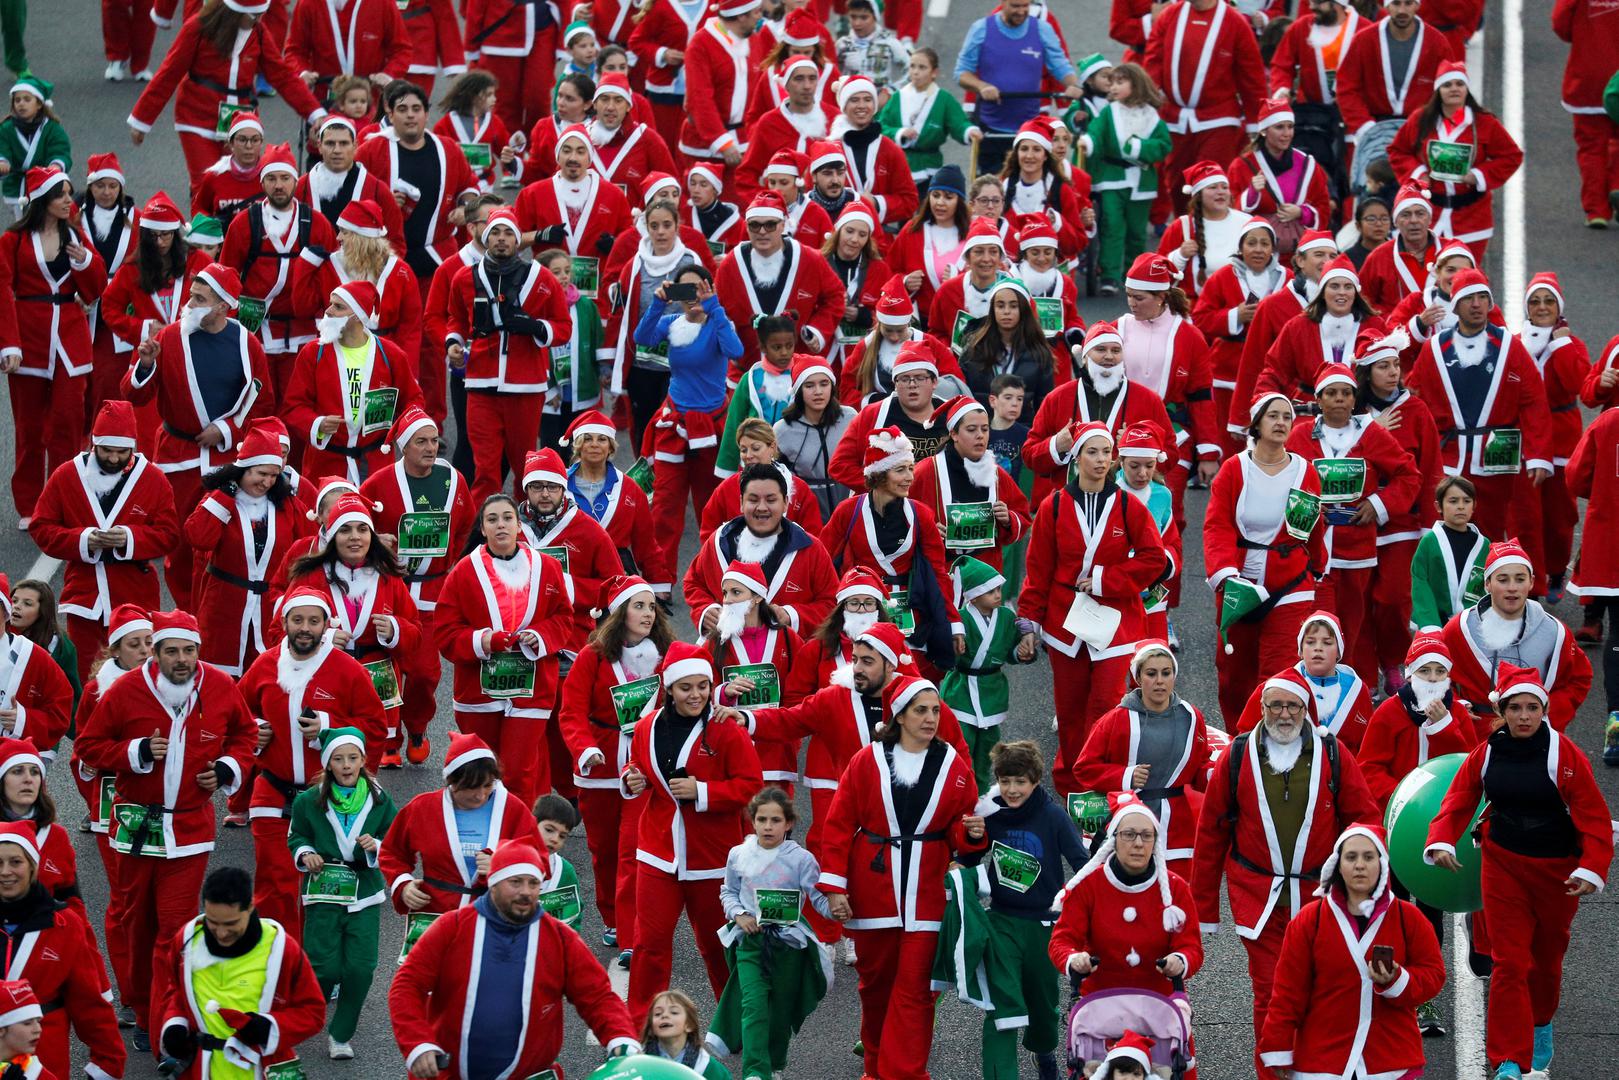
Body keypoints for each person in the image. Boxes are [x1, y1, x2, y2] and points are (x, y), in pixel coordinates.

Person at [75, 610, 257, 1050]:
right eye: (172, 650)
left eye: (189, 650)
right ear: (154, 653)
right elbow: (88, 746)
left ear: (199, 651)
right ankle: (140, 1006)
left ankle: (166, 1013)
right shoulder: (126, 691)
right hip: (137, 827)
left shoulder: (218, 686)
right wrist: (135, 750)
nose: (182, 659)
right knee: (138, 923)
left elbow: (245, 734)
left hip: (190, 828)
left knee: (174, 926)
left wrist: (228, 769)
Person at [1426, 665, 1613, 1080]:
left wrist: (1590, 868)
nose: (1524, 716)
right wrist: (1440, 840)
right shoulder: (1488, 751)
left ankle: (1541, 1021)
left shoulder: (1564, 755)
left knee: (1546, 962)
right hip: (1503, 863)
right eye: (1516, 708)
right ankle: (1508, 1059)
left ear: (1543, 711)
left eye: (1532, 708)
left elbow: (1595, 819)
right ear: (1502, 711)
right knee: (1509, 962)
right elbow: (1458, 798)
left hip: (1556, 873)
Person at [1193, 668, 1380, 1079]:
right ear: (1261, 708)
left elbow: (1365, 819)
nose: (1283, 714)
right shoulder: (1237, 755)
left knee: (1320, 989)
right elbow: (1210, 834)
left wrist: (1361, 879)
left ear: (1306, 709)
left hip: (1321, 898)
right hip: (1257, 895)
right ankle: (1272, 1073)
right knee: (1271, 992)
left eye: (1292, 705)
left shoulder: (1333, 754)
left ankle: (1316, 1069)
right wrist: (1202, 911)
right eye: (1274, 705)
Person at [817, 674, 982, 1078]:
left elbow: (960, 829)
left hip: (926, 894)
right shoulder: (866, 760)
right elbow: (838, 825)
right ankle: (875, 1068)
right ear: (900, 715)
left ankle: (905, 1074)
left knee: (916, 991)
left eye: (935, 711)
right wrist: (834, 887)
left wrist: (971, 836)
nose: (930, 719)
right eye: (920, 710)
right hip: (874, 890)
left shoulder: (953, 766)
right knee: (875, 989)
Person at [391, 834, 639, 1079]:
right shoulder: (451, 928)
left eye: (533, 883)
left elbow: (596, 996)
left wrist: (620, 1036)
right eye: (516, 882)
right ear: (494, 883)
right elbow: (407, 986)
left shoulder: (560, 938)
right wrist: (418, 1044)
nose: (526, 892)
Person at [1019, 422, 1168, 791]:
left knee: (1105, 706)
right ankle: (1072, 788)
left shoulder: (1127, 505)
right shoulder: (1052, 507)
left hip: (1115, 620)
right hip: (1064, 622)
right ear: (1076, 457)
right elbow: (1037, 571)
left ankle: (1102, 785)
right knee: (1069, 711)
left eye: (1106, 453)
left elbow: (1155, 559)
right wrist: (1028, 624)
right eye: (1093, 452)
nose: (1102, 460)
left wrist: (1106, 580)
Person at [622, 642, 764, 1021]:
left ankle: (732, 1023)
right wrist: (631, 778)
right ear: (668, 688)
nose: (697, 694)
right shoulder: (646, 727)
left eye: (703, 686)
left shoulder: (726, 729)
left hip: (712, 859)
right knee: (649, 945)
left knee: (717, 946)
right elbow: (636, 763)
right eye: (686, 687)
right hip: (657, 852)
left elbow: (752, 785)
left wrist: (702, 792)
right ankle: (639, 1025)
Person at [237, 585, 387, 942]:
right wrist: (253, 731)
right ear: (285, 622)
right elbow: (236, 715)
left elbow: (376, 727)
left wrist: (331, 727)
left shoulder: (347, 670)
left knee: (321, 887)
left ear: (325, 626)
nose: (305, 628)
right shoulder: (264, 665)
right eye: (298, 620)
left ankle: (318, 964)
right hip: (272, 790)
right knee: (274, 884)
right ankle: (275, 960)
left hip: (327, 797)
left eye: (314, 621)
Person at [1259, 822, 1447, 1077]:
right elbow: (1287, 992)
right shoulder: (1309, 921)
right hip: (1323, 1060)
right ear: (1338, 864)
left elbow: (1434, 974)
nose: (1360, 865)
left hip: (1390, 1060)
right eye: (1351, 857)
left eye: (1369, 857)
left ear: (1382, 863)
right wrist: (1278, 1047)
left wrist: (1396, 980)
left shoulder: (1408, 918)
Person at [433, 493, 574, 807]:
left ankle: (516, 842)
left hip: (533, 687)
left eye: (507, 518)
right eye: (492, 519)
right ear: (482, 529)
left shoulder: (548, 568)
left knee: (518, 771)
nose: (501, 525)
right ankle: (488, 833)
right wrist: (482, 641)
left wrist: (541, 636)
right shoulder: (463, 572)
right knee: (485, 769)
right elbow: (444, 631)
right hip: (479, 693)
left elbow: (565, 617)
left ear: (519, 524)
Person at [1048, 794, 1201, 1075]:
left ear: (1156, 842)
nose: (1139, 843)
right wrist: (1074, 959)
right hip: (1100, 1009)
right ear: (1113, 839)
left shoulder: (1176, 888)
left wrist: (1181, 959)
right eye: (1129, 834)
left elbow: (1191, 946)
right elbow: (1061, 941)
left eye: (1146, 835)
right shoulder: (1088, 885)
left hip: (1160, 1009)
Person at [356, 80, 482, 422]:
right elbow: (356, 202)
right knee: (383, 342)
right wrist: (381, 203)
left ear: (427, 114)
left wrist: (466, 209)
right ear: (389, 113)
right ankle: (384, 420)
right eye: (402, 110)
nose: (411, 116)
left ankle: (430, 422)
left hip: (435, 261)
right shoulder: (373, 152)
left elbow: (470, 188)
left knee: (431, 346)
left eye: (417, 109)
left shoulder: (448, 150)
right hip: (385, 265)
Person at [1284, 361, 1420, 674]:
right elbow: (1283, 480)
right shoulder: (1301, 435)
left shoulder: (1371, 433)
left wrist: (1378, 504)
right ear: (1319, 399)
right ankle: (1312, 679)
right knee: (1318, 619)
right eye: (1332, 393)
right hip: (1312, 550)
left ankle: (1357, 683)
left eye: (1346, 393)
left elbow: (1407, 475)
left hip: (1357, 548)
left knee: (1354, 621)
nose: (1340, 399)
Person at [1204, 392, 1329, 729]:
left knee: (1278, 673)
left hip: (1291, 580)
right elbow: (1217, 524)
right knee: (1233, 676)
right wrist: (1226, 575)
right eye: (1273, 416)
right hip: (1238, 583)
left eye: (1287, 417)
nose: (1281, 423)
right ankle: (1239, 740)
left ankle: (1274, 743)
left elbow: (1313, 522)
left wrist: (1317, 566)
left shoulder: (1305, 471)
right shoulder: (1234, 469)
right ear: (1256, 424)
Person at [28, 400, 177, 682]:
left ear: (132, 448)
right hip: (84, 596)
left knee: (137, 676)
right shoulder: (66, 475)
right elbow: (41, 527)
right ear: (93, 445)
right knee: (85, 677)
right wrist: (84, 540)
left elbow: (169, 534)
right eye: (106, 450)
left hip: (135, 595)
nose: (112, 458)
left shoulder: (154, 479)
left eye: (121, 452)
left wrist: (129, 538)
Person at [1405, 268, 1553, 543]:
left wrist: (1538, 455)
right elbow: (1417, 401)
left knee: (1491, 532)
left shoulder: (1510, 345)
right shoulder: (1434, 348)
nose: (1476, 304)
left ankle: (1490, 585)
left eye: (1482, 297)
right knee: (1445, 534)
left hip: (1495, 460)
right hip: (1449, 457)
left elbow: (1533, 400)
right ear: (1456, 305)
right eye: (1468, 298)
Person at [126, 0, 328, 194]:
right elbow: (168, 74)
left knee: (238, 185)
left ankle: (230, 228)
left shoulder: (257, 32)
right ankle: (203, 226)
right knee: (205, 183)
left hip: (240, 121)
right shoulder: (197, 28)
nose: (259, 19)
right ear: (235, 12)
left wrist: (314, 112)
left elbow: (282, 76)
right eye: (254, 15)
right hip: (197, 116)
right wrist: (142, 120)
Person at [0, 167, 107, 529]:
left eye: (69, 193)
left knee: (68, 420)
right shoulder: (12, 241)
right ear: (42, 201)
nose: (68, 200)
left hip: (70, 340)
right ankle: (30, 503)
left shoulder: (76, 236)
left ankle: (62, 499)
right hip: (28, 340)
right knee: (29, 428)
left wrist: (86, 263)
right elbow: (3, 293)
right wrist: (8, 344)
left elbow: (95, 290)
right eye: (60, 194)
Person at [444, 207, 571, 505]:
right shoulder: (465, 277)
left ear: (517, 239)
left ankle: (526, 532)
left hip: (525, 386)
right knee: (484, 468)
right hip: (479, 384)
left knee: (523, 467)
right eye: (495, 233)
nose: (502, 239)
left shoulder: (542, 277)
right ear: (485, 238)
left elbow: (564, 327)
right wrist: (454, 343)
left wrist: (535, 326)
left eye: (509, 233)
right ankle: (481, 534)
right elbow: (456, 319)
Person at [704, 787, 833, 1077]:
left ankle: (774, 1065)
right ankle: (755, 1071)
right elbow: (729, 893)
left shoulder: (801, 859)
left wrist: (839, 910)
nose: (768, 826)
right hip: (751, 943)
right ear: (753, 821)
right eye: (762, 819)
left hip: (789, 945)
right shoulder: (738, 854)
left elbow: (818, 897)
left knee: (780, 1014)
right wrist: (739, 915)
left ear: (788, 824)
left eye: (775, 820)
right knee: (753, 1007)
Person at [285, 726, 395, 1060]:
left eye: (352, 758)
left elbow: (394, 842)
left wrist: (374, 846)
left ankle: (341, 1034)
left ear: (363, 760)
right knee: (324, 969)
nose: (346, 765)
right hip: (324, 892)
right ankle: (301, 1017)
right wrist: (305, 854)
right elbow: (296, 835)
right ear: (328, 764)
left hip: (364, 893)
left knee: (361, 969)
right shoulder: (308, 800)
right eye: (338, 759)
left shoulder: (379, 799)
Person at [154, 865, 327, 1079]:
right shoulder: (187, 940)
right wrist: (175, 1024)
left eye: (231, 923)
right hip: (203, 1069)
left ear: (251, 906)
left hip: (261, 1068)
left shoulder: (282, 949)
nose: (221, 933)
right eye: (213, 922)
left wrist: (266, 1027)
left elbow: (313, 1012)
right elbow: (176, 992)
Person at [823, 427, 966, 675]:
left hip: (913, 615)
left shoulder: (921, 513)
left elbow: (938, 573)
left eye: (910, 468)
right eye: (900, 469)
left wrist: (953, 622)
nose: (910, 477)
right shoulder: (848, 512)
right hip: (862, 613)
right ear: (878, 474)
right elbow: (822, 563)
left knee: (910, 679)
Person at [1073, 639, 1210, 877]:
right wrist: (1125, 775)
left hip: (1176, 824)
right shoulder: (1116, 719)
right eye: (1151, 673)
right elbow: (1084, 768)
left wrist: (1216, 775)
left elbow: (1199, 764)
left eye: (1166, 673)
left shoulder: (1191, 716)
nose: (1159, 681)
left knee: (1175, 895)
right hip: (1129, 817)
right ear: (1137, 677)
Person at [0, 821, 125, 1080]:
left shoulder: (65, 924)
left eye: (15, 862)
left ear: (33, 866)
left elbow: (89, 1001)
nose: (6, 872)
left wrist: (107, 1062)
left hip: (45, 1059)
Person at [186, 426, 310, 676]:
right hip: (224, 608)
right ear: (243, 469)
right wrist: (226, 494)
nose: (267, 482)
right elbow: (198, 537)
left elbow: (309, 545)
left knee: (265, 678)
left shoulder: (286, 504)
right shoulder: (219, 498)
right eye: (261, 473)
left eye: (274, 476)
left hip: (268, 610)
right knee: (219, 681)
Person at [376, 732, 543, 916]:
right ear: (452, 782)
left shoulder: (512, 809)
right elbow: (392, 852)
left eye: (488, 785)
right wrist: (403, 883)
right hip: (436, 913)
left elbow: (539, 858)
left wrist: (504, 865)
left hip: (496, 917)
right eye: (471, 787)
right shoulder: (423, 808)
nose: (480, 795)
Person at [1441, 539, 1592, 733]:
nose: (1512, 587)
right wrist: (1455, 705)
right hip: (1475, 736)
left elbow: (1579, 678)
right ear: (1487, 583)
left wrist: (1547, 715)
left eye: (1520, 579)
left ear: (1531, 582)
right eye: (1503, 580)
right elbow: (1434, 675)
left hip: (1536, 736)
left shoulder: (1555, 632)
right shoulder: (1460, 629)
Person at [1114, 253, 1220, 526]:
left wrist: (1208, 455)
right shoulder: (1117, 328)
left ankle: (1170, 568)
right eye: (1128, 295)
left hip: (1172, 437)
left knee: (1169, 515)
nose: (1131, 303)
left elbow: (1201, 397)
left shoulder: (1189, 336)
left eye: (1139, 298)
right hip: (1121, 435)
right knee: (1116, 514)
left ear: (1161, 296)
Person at [683, 462, 840, 636]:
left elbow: (831, 603)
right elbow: (693, 583)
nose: (762, 507)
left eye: (771, 500)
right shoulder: (719, 542)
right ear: (742, 503)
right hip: (726, 654)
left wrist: (790, 615)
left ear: (786, 503)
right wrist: (706, 610)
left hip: (789, 655)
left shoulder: (810, 549)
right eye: (753, 500)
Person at [1387, 61, 1523, 258]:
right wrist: (1419, 174)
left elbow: (1511, 156)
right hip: (1430, 215)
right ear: (1438, 90)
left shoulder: (1485, 122)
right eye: (1447, 85)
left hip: (1472, 217)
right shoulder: (1421, 119)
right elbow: (1398, 150)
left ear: (1467, 88)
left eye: (1460, 84)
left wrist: (1478, 176)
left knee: (1468, 277)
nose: (1454, 89)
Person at [1145, 0, 1267, 214]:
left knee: (1210, 184)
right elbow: (1153, 62)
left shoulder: (1235, 22)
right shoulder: (1169, 16)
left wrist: (1256, 125)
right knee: (1177, 186)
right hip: (1175, 117)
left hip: (1218, 119)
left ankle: (1212, 238)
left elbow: (1251, 77)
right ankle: (1185, 236)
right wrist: (1149, 103)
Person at [1516, 273, 1590, 602]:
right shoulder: (1516, 342)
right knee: (1527, 513)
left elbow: (1578, 383)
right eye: (1535, 301)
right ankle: (1530, 574)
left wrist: (1560, 342)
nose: (1542, 307)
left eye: (1548, 301)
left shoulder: (1571, 344)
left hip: (1561, 437)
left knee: (1561, 514)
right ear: (1527, 308)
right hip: (1525, 439)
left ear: (1558, 307)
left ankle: (1558, 568)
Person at [1335, 0, 1455, 196]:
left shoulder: (1436, 42)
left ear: (1417, 5)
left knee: (1422, 196)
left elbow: (1449, 91)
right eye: (1396, 3)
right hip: (1375, 130)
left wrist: (1434, 127)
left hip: (1420, 132)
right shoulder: (1365, 39)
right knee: (1372, 196)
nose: (1402, 10)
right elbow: (1346, 87)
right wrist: (1364, 127)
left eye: (1408, 3)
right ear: (1387, 6)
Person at [1190, 219, 1287, 456]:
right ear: (1241, 247)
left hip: (1270, 366)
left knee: (1270, 428)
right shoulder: (1224, 277)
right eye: (1251, 243)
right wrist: (1235, 316)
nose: (1258, 249)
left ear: (1273, 248)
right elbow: (1200, 318)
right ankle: (1230, 479)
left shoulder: (1287, 279)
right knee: (1230, 432)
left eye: (1265, 243)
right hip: (1228, 367)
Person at [954, 0, 1084, 175]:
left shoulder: (1042, 29)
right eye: (1015, 6)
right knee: (992, 191)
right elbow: (962, 73)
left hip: (1030, 128)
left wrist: (1072, 85)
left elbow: (1060, 66)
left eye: (1025, 6)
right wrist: (981, 86)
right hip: (991, 129)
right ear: (1003, 3)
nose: (1021, 11)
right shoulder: (981, 29)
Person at [910, 395, 1032, 571]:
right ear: (954, 434)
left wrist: (1008, 519)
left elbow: (1023, 516)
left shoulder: (997, 473)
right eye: (971, 429)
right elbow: (900, 516)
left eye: (985, 429)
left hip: (986, 573)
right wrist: (925, 531)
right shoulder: (926, 471)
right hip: (942, 571)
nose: (980, 436)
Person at [1084, 61, 1172, 296]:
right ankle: (1110, 275)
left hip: (1142, 182)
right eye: (1111, 82)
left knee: (1136, 230)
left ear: (1136, 84)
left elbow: (1164, 145)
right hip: (1112, 178)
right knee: (1112, 226)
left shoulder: (1152, 116)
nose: (1113, 87)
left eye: (1120, 82)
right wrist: (1088, 142)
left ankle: (1134, 273)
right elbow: (1096, 132)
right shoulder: (1108, 112)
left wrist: (1138, 147)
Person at [558, 410, 669, 588]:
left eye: (602, 439)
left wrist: (658, 582)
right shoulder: (557, 486)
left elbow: (646, 542)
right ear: (577, 445)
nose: (594, 445)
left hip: (618, 575)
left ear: (610, 447)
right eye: (587, 439)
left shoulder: (630, 488)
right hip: (572, 577)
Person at [1228, 96, 1332, 248]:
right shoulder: (1242, 166)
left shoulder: (1308, 164)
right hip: (1259, 251)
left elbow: (1323, 206)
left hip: (1298, 250)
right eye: (1279, 127)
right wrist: (1252, 194)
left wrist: (1301, 213)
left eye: (1290, 126)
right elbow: (1230, 212)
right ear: (1263, 131)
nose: (1287, 133)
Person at [702, 417, 827, 540]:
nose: (748, 456)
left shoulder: (799, 489)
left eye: (756, 448)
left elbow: (813, 537)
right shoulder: (727, 488)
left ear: (772, 447)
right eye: (743, 450)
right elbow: (709, 533)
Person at [1554, 0, 1619, 226]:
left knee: (1591, 146)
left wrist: (1585, 35)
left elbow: (1560, 22)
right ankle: (1617, 185)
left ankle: (1596, 210)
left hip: (1587, 77)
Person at [878, 50, 981, 189]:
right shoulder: (898, 97)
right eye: (912, 66)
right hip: (899, 166)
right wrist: (899, 133)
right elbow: (881, 127)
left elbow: (958, 123)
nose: (915, 72)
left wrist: (969, 131)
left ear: (934, 72)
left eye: (922, 67)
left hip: (931, 168)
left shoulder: (943, 98)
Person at [775, 352, 858, 519]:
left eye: (824, 383)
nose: (818, 391)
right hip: (807, 511)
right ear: (798, 390)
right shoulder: (782, 430)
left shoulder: (850, 417)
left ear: (832, 387)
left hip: (851, 505)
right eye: (809, 385)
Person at [1155, 160, 1254, 299]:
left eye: (1224, 187)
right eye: (1212, 187)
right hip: (1196, 308)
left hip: (1243, 303)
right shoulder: (1181, 226)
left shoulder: (1248, 222)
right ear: (1198, 195)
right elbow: (1157, 274)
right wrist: (1180, 255)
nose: (1220, 192)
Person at [1410, 475, 1488, 632]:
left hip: (1474, 625)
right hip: (1436, 622)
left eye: (1466, 501)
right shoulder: (1429, 542)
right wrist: (1430, 624)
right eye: (1453, 501)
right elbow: (1420, 583)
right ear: (1439, 506)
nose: (1461, 506)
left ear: (1474, 505)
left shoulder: (1484, 545)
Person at [1344, 196, 1391, 268]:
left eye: (1384, 219)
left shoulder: (1398, 254)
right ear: (1358, 226)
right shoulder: (1347, 259)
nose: (1379, 224)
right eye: (1371, 219)